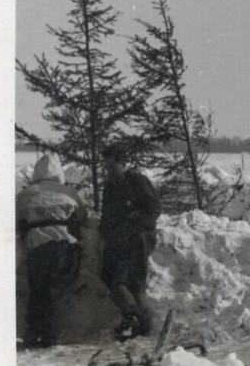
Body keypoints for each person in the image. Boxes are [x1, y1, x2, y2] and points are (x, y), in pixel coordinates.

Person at [16, 154, 88, 348]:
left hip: (37, 246)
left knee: (37, 290)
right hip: (64, 245)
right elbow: (83, 217)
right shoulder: (69, 192)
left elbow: (14, 219)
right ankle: (51, 336)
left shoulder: (25, 194)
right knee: (54, 291)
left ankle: (32, 334)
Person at [99, 143, 161, 339]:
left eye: (112, 167)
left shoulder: (137, 181)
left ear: (123, 163)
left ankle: (142, 325)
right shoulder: (109, 186)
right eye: (106, 167)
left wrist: (137, 220)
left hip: (137, 238)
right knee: (110, 277)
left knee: (134, 282)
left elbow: (153, 209)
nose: (109, 172)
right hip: (118, 240)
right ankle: (136, 319)